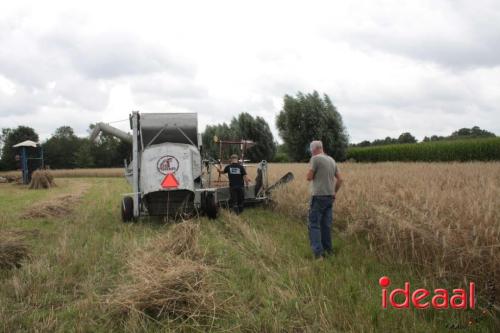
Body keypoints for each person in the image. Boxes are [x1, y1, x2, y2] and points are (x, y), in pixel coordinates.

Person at [306, 140, 343, 259]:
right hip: (329, 197)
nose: (311, 153)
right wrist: (334, 193)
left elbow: (309, 177)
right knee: (326, 225)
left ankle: (318, 254)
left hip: (318, 196)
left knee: (314, 224)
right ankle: (328, 251)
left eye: (311, 151)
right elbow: (340, 180)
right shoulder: (332, 160)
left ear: (314, 149)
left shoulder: (315, 159)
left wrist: (310, 169)